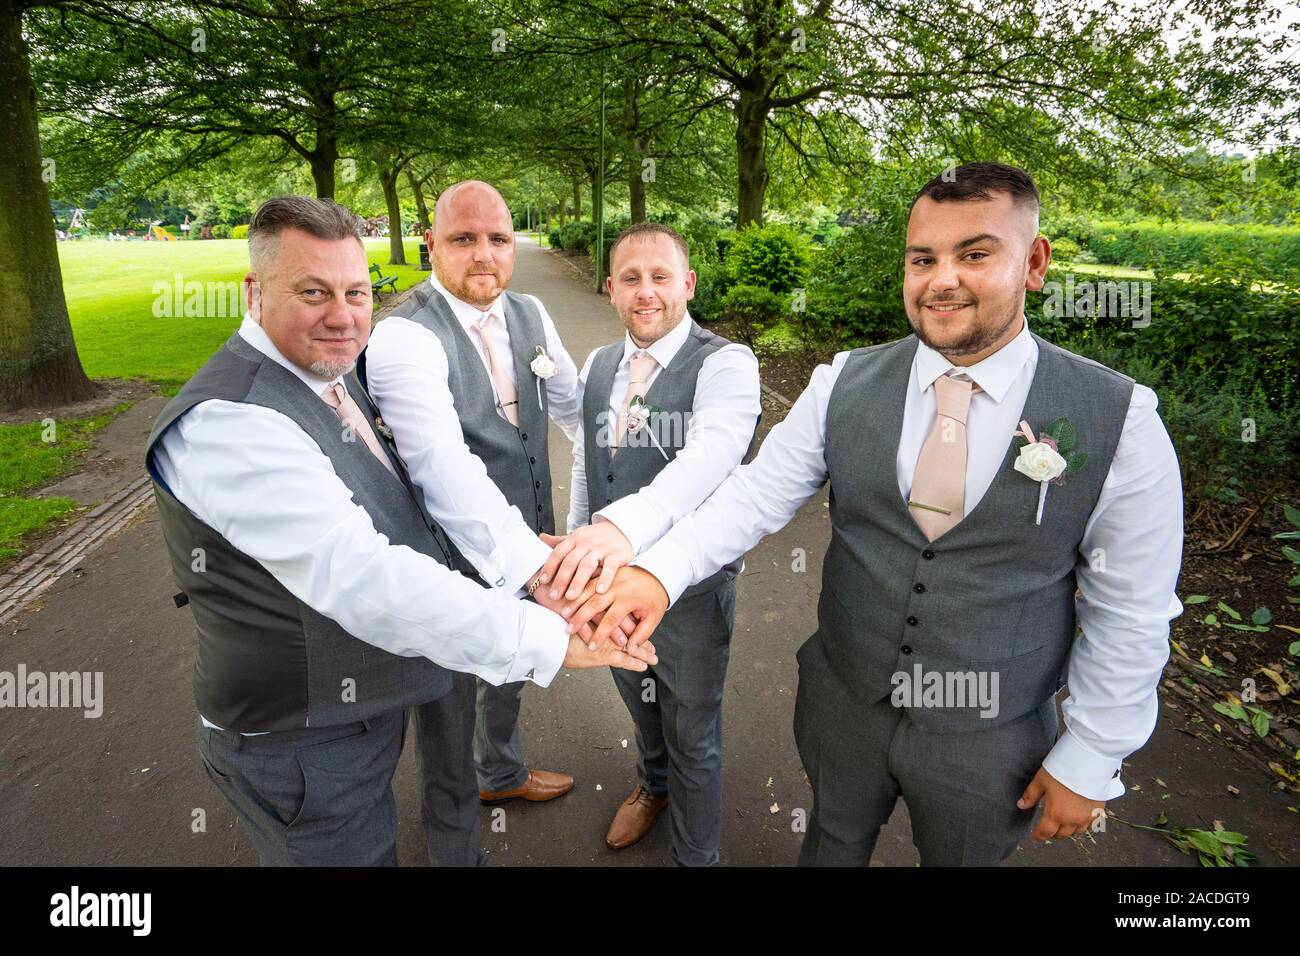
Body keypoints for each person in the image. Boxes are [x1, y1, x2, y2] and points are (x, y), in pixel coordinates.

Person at [567, 163, 1184, 866]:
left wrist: (1093, 752)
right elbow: (755, 494)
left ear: (1033, 263)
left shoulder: (1120, 419)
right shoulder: (843, 383)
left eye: (975, 254)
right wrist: (658, 573)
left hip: (989, 739)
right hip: (843, 709)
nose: (941, 279)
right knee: (829, 842)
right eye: (923, 258)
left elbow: (1130, 608)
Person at [147, 195, 655, 867]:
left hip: (356, 706)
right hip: (298, 738)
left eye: (357, 291)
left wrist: (551, 557)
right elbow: (366, 574)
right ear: (253, 292)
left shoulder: (325, 375)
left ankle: (488, 791)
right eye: (312, 291)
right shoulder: (231, 423)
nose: (344, 314)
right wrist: (547, 633)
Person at [550, 221, 760, 865]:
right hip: (609, 589)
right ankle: (653, 787)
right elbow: (588, 460)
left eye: (661, 276)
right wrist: (580, 555)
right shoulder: (598, 364)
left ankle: (696, 856)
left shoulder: (725, 363)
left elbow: (711, 457)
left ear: (687, 284)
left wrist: (624, 530)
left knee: (693, 729)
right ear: (611, 288)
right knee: (641, 706)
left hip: (692, 594)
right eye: (631, 278)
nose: (647, 292)